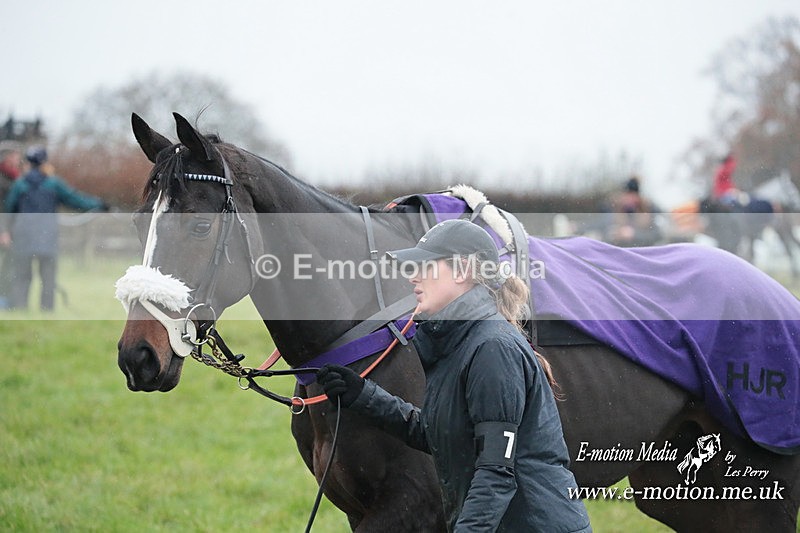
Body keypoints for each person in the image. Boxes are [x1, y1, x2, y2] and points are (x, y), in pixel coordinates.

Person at [316, 219, 591, 532]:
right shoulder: (457, 343)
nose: (413, 277)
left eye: (426, 266)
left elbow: (496, 472)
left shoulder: (492, 348)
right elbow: (441, 435)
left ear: (462, 271)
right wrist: (364, 396)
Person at [4, 146, 107, 311]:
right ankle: (46, 310)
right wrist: (100, 204)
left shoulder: (20, 184)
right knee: (48, 279)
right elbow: (76, 200)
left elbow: (9, 210)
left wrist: (5, 232)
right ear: (44, 162)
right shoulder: (53, 183)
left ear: (28, 163)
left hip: (23, 238)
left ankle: (20, 309)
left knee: (22, 277)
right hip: (46, 237)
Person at [0, 148, 22, 308]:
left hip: (12, 229)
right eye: (15, 157)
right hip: (5, 230)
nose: (18, 160)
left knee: (9, 266)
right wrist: (3, 231)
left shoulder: (15, 178)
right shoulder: (3, 180)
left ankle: (7, 300)